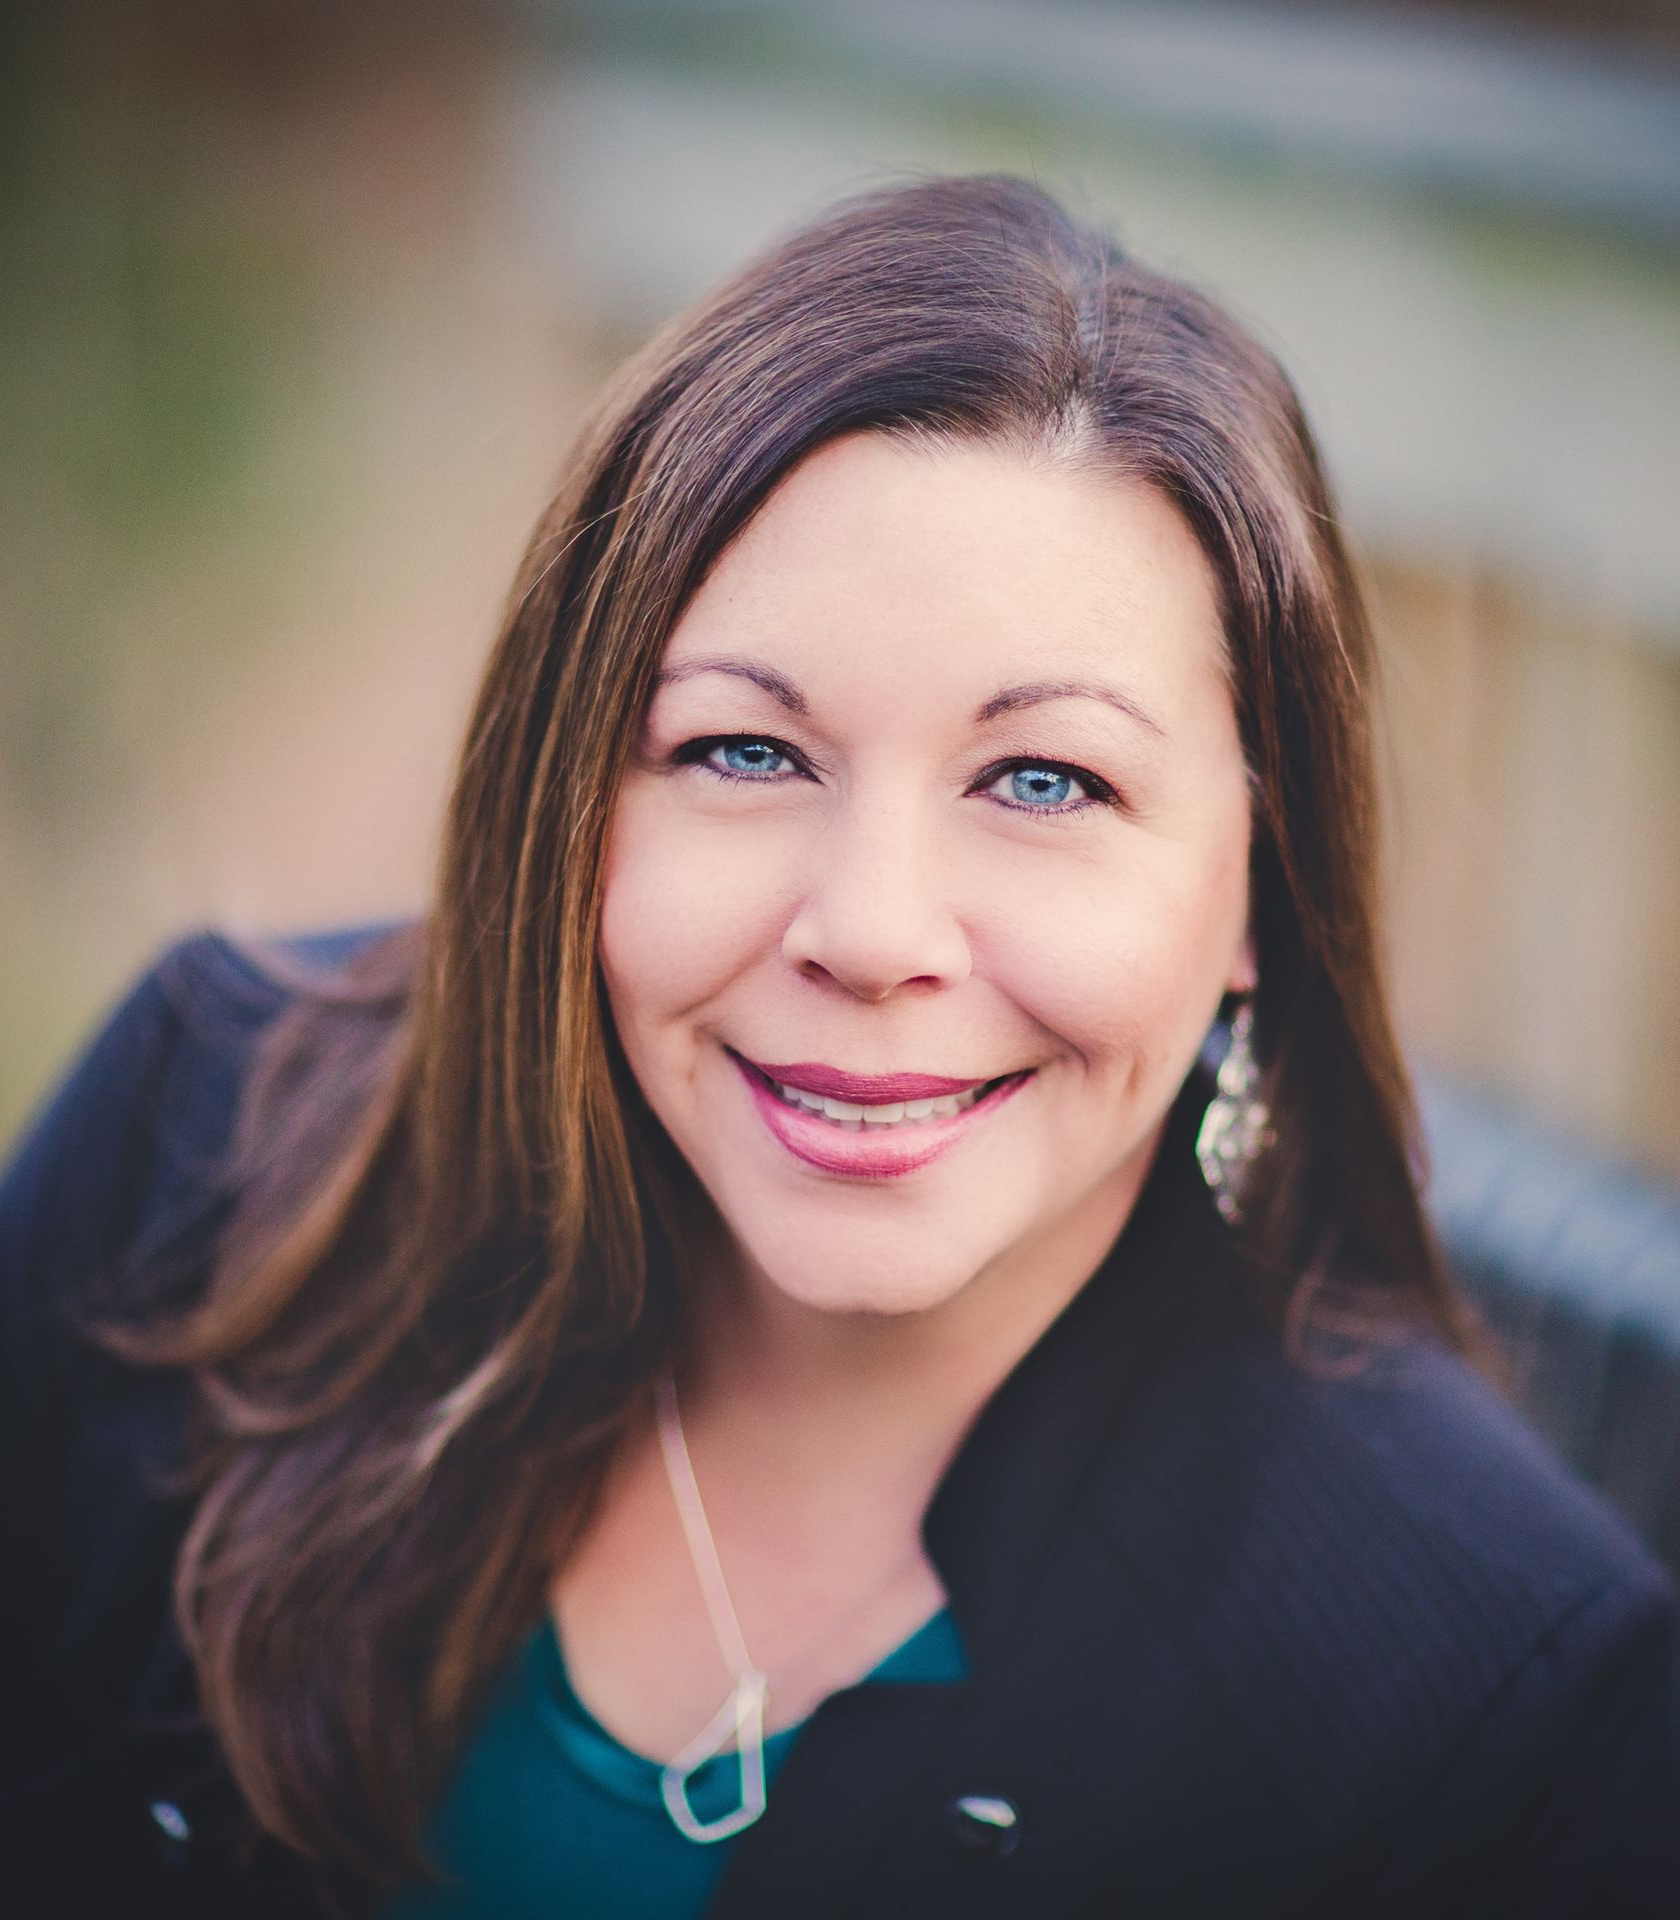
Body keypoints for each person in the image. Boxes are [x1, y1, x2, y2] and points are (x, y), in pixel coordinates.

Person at [2, 175, 1676, 1920]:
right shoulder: (188, 1153)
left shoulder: (1491, 1710)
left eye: (1046, 782)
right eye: (743, 751)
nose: (870, 933)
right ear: (568, 793)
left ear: (1262, 894)